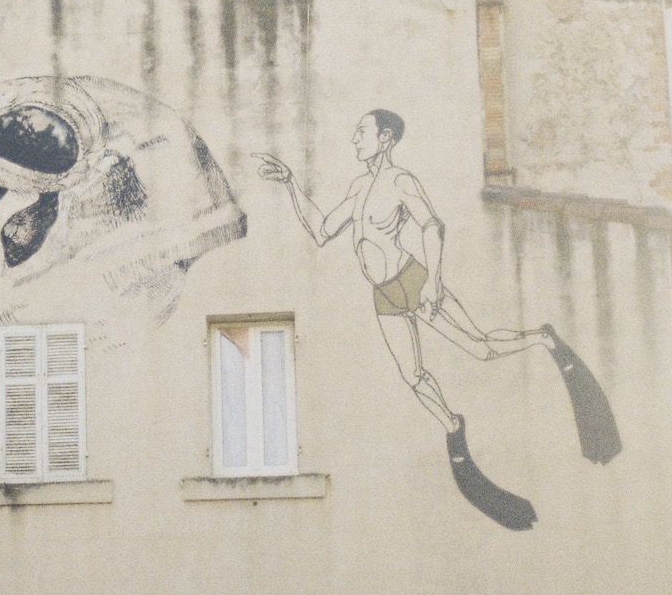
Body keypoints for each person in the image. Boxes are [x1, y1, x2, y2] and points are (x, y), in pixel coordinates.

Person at [259, 111, 619, 531]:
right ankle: (453, 425)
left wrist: (434, 280)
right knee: (413, 376)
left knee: (479, 347)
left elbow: (432, 225)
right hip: (384, 295)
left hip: (413, 280)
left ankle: (543, 337)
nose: (355, 140)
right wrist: (290, 182)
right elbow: (322, 230)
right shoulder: (358, 188)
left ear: (385, 138)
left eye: (362, 133)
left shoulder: (401, 182)